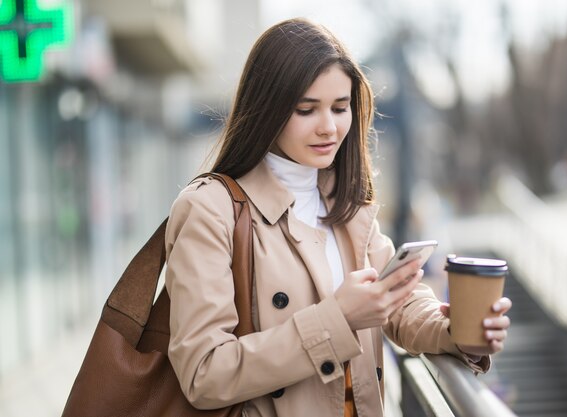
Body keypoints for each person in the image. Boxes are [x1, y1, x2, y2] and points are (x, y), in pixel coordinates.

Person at [164, 17, 512, 417]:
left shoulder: (346, 203)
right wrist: (338, 319)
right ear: (268, 109)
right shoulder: (210, 209)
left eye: (340, 107)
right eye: (306, 109)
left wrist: (458, 332)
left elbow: (398, 301)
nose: (329, 127)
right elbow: (203, 373)